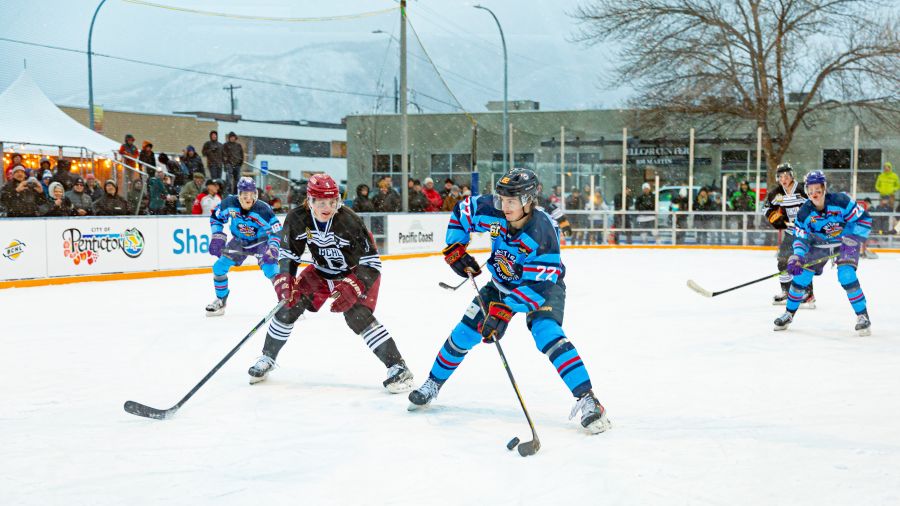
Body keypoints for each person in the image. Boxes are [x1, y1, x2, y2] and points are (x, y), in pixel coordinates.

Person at [407, 168, 611, 434]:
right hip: (500, 285)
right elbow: (462, 212)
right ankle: (432, 384)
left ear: (528, 200)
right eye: (502, 199)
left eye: (512, 201)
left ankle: (588, 399)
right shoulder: (494, 211)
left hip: (540, 287)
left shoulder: (543, 230)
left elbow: (538, 285)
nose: (505, 206)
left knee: (546, 333)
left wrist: (503, 311)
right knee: (464, 333)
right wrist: (456, 249)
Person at [247, 173, 415, 393]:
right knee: (288, 307)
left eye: (332, 201)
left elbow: (372, 262)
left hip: (354, 272)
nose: (328, 207)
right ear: (310, 201)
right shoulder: (297, 218)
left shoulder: (350, 220)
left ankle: (399, 368)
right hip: (321, 272)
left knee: (357, 316)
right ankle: (267, 357)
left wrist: (353, 285)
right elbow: (288, 255)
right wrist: (285, 279)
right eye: (322, 202)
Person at [774, 171, 872, 336]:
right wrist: (797, 256)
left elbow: (863, 219)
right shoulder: (804, 212)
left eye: (818, 190)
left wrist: (853, 238)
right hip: (819, 245)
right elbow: (801, 236)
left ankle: (862, 316)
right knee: (801, 277)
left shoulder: (841, 201)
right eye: (810, 191)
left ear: (824, 189)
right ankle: (788, 314)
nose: (814, 194)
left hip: (845, 244)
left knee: (846, 275)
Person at [204, 177, 281, 316]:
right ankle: (221, 301)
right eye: (245, 195)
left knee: (272, 270)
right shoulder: (229, 203)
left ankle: (288, 302)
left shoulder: (263, 209)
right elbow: (216, 218)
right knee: (219, 268)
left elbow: (276, 231)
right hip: (239, 242)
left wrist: (273, 247)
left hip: (261, 242)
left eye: (252, 194)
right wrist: (217, 236)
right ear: (239, 194)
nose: (249, 198)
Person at [764, 163, 813, 307]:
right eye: (780, 176)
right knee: (783, 261)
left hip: (807, 232)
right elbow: (766, 208)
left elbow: (819, 202)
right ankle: (787, 291)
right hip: (791, 232)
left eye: (786, 175)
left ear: (792, 176)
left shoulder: (803, 188)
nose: (784, 179)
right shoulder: (776, 194)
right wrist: (775, 218)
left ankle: (808, 293)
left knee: (803, 262)